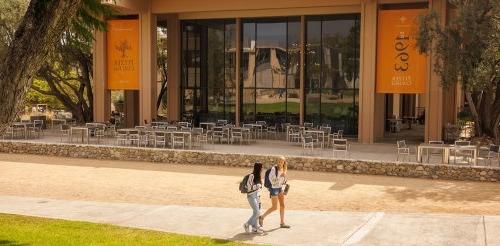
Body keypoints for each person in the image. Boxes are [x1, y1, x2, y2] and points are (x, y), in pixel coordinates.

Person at [259, 156, 290, 229]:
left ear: (284, 162)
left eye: (282, 162)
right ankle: (261, 217)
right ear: (277, 161)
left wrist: (284, 182)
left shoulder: (284, 169)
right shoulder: (273, 169)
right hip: (274, 189)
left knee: (282, 205)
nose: (280, 163)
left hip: (280, 188)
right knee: (274, 207)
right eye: (279, 161)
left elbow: (283, 180)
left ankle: (282, 223)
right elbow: (272, 180)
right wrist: (281, 177)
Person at [243, 162, 264, 234]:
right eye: (261, 167)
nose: (262, 169)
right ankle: (247, 224)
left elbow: (258, 189)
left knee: (256, 212)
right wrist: (257, 186)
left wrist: (259, 199)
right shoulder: (252, 176)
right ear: (258, 168)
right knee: (257, 212)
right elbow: (249, 188)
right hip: (251, 196)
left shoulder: (259, 176)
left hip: (257, 196)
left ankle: (254, 228)